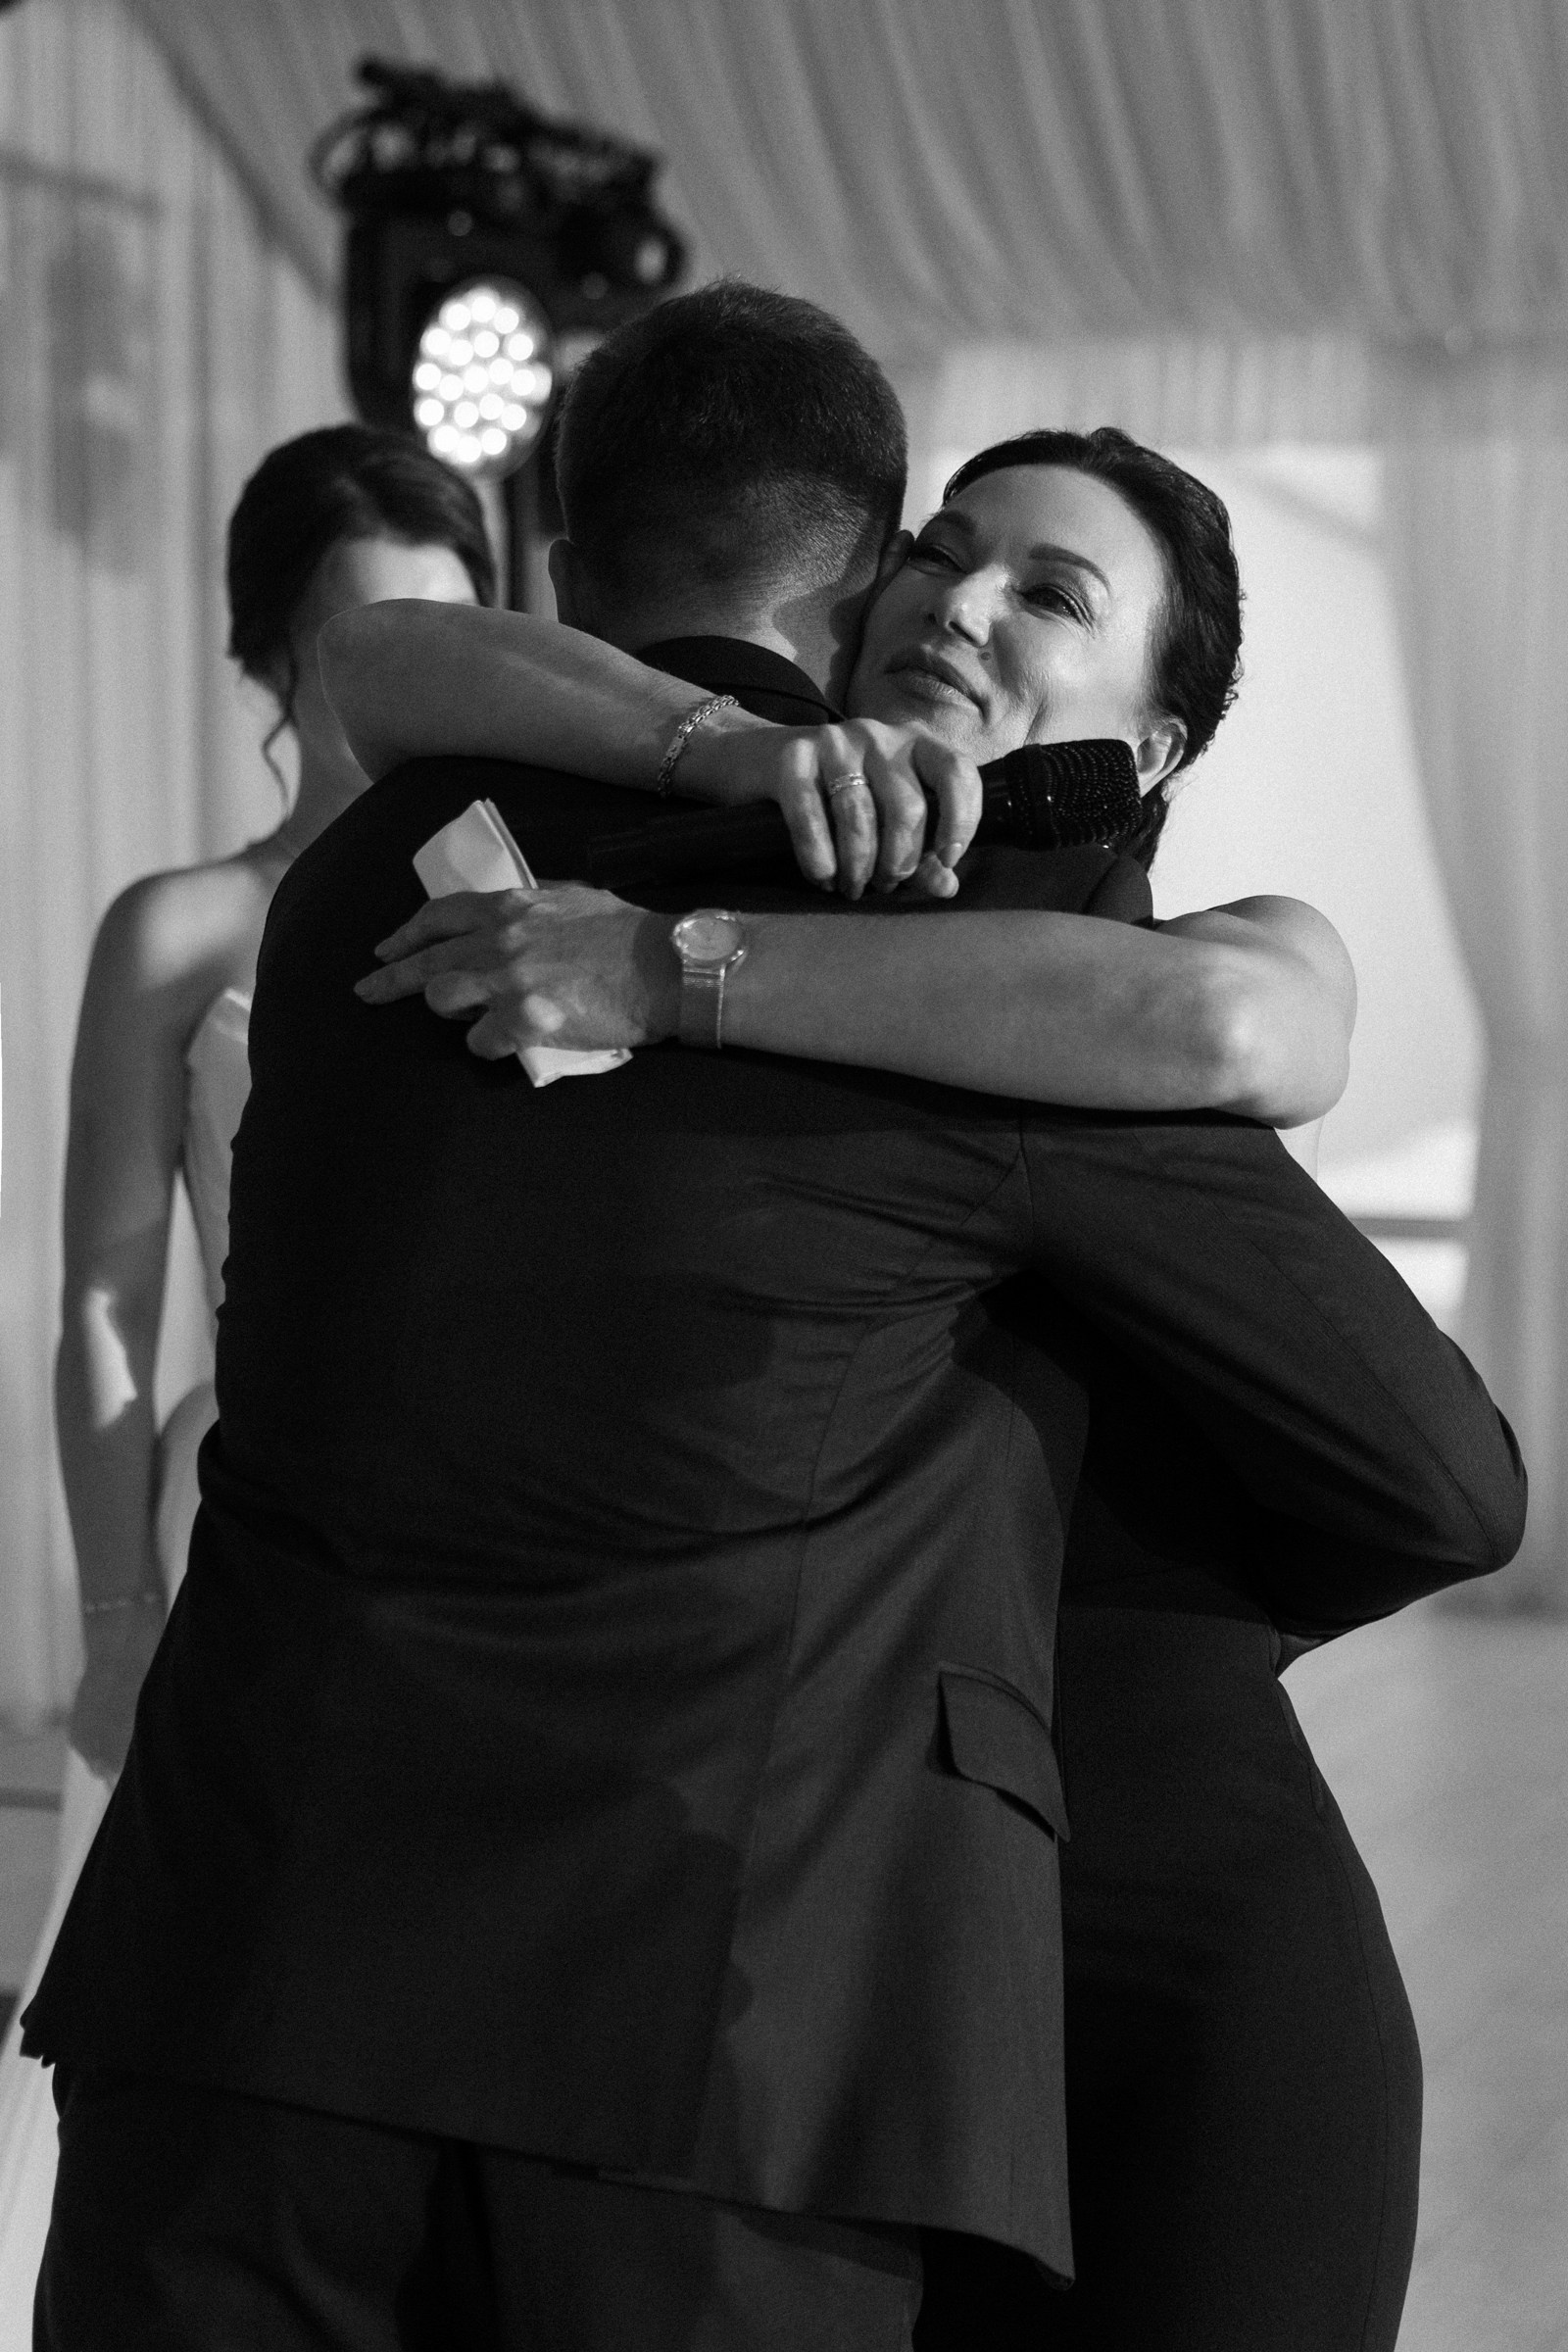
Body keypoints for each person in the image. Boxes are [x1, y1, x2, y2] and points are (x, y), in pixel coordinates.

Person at [23, 288, 1522, 2351]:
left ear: (1158, 738)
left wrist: (675, 970)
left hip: (308, 1970)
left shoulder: (396, 867)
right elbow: (382, 651)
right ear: (854, 571)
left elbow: (1279, 1085)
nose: (964, 606)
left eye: (1049, 591)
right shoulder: (872, 935)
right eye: (943, 551)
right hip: (699, 2025)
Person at [0, 423, 488, 2337]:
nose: (416, 685)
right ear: (273, 660)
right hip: (247, 1528)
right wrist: (120, 1618)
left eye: (452, 635)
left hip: (498, 1543)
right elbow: (102, 1301)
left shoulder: (539, 910)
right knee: (218, 2071)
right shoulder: (186, 927)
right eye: (368, 643)